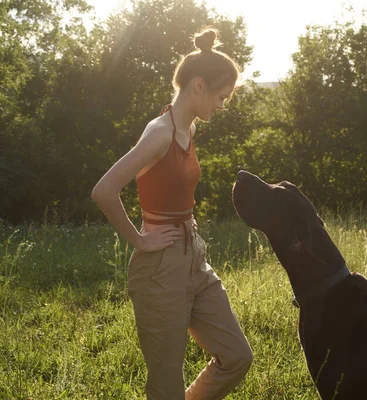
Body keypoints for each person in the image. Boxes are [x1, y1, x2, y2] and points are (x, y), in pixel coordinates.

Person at [91, 28, 253, 400]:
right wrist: (139, 239)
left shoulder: (188, 127)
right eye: (221, 97)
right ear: (199, 85)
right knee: (166, 383)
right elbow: (104, 190)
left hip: (194, 255)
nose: (223, 106)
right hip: (160, 267)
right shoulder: (160, 133)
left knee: (236, 355)